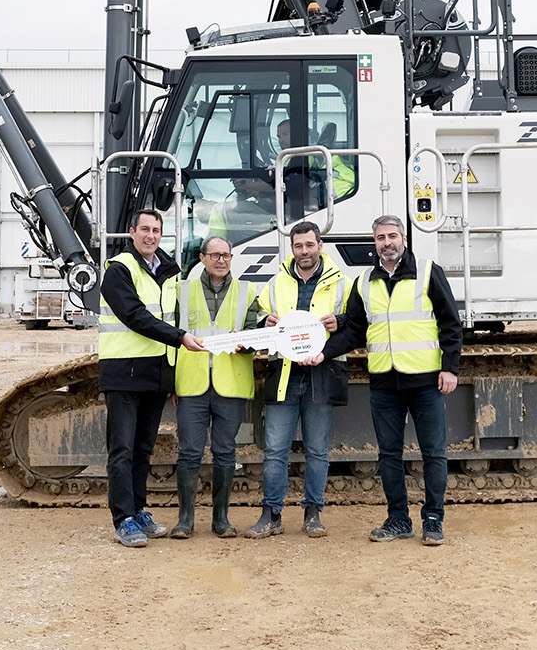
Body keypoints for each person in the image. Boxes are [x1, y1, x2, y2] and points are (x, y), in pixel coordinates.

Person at [322, 214, 462, 546]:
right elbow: (355, 331)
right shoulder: (363, 283)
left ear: (403, 239)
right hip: (385, 382)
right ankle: (398, 519)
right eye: (381, 237)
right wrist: (323, 353)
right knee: (388, 454)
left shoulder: (428, 272)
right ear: (375, 243)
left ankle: (432, 519)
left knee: (433, 453)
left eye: (393, 236)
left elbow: (450, 324)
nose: (387, 242)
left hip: (426, 381)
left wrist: (450, 368)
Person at [99, 209, 206, 548]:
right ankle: (123, 520)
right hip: (124, 372)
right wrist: (180, 338)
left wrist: (173, 376)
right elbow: (134, 316)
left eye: (156, 230)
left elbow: (179, 313)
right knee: (122, 450)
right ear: (132, 232)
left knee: (142, 450)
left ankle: (140, 510)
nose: (150, 235)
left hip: (156, 373)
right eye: (144, 229)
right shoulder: (118, 271)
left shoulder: (170, 272)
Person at [245, 220, 350, 539]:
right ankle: (271, 514)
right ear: (292, 249)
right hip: (284, 376)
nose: (304, 251)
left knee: (317, 450)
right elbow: (253, 320)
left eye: (309, 245)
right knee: (275, 449)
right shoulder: (276, 283)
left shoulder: (342, 283)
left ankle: (313, 513)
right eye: (298, 246)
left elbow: (357, 323)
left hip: (322, 373)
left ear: (320, 246)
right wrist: (265, 320)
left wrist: (341, 321)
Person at [169, 236, 260, 539]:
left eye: (226, 255)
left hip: (229, 386)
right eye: (215, 255)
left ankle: (221, 519)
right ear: (203, 258)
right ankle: (185, 520)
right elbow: (171, 338)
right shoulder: (183, 291)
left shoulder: (247, 292)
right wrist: (171, 382)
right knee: (190, 452)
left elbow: (257, 337)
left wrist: (244, 341)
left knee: (225, 452)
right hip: (192, 385)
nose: (221, 260)